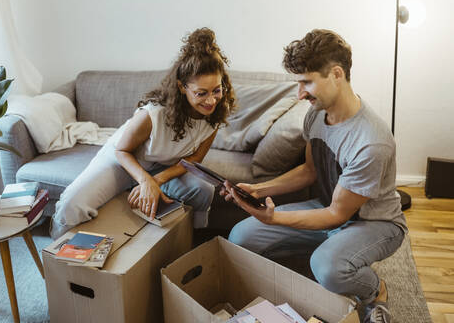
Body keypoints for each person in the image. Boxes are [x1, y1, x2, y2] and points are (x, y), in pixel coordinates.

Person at [222, 29, 406, 323]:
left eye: (307, 82)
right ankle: (331, 255)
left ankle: (375, 291)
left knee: (327, 267)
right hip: (329, 208)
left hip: (373, 223)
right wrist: (258, 189)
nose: (300, 93)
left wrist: (273, 218)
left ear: (336, 74)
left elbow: (336, 214)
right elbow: (309, 171)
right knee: (240, 237)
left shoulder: (371, 140)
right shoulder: (316, 114)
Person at [50, 27, 236, 240]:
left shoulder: (217, 112)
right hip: (125, 160)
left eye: (217, 90)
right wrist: (144, 180)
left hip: (164, 165)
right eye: (201, 93)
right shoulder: (153, 114)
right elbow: (122, 150)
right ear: (182, 87)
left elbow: (194, 159)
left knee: (204, 191)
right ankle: (59, 259)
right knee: (71, 205)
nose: (211, 100)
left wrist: (156, 180)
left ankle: (192, 239)